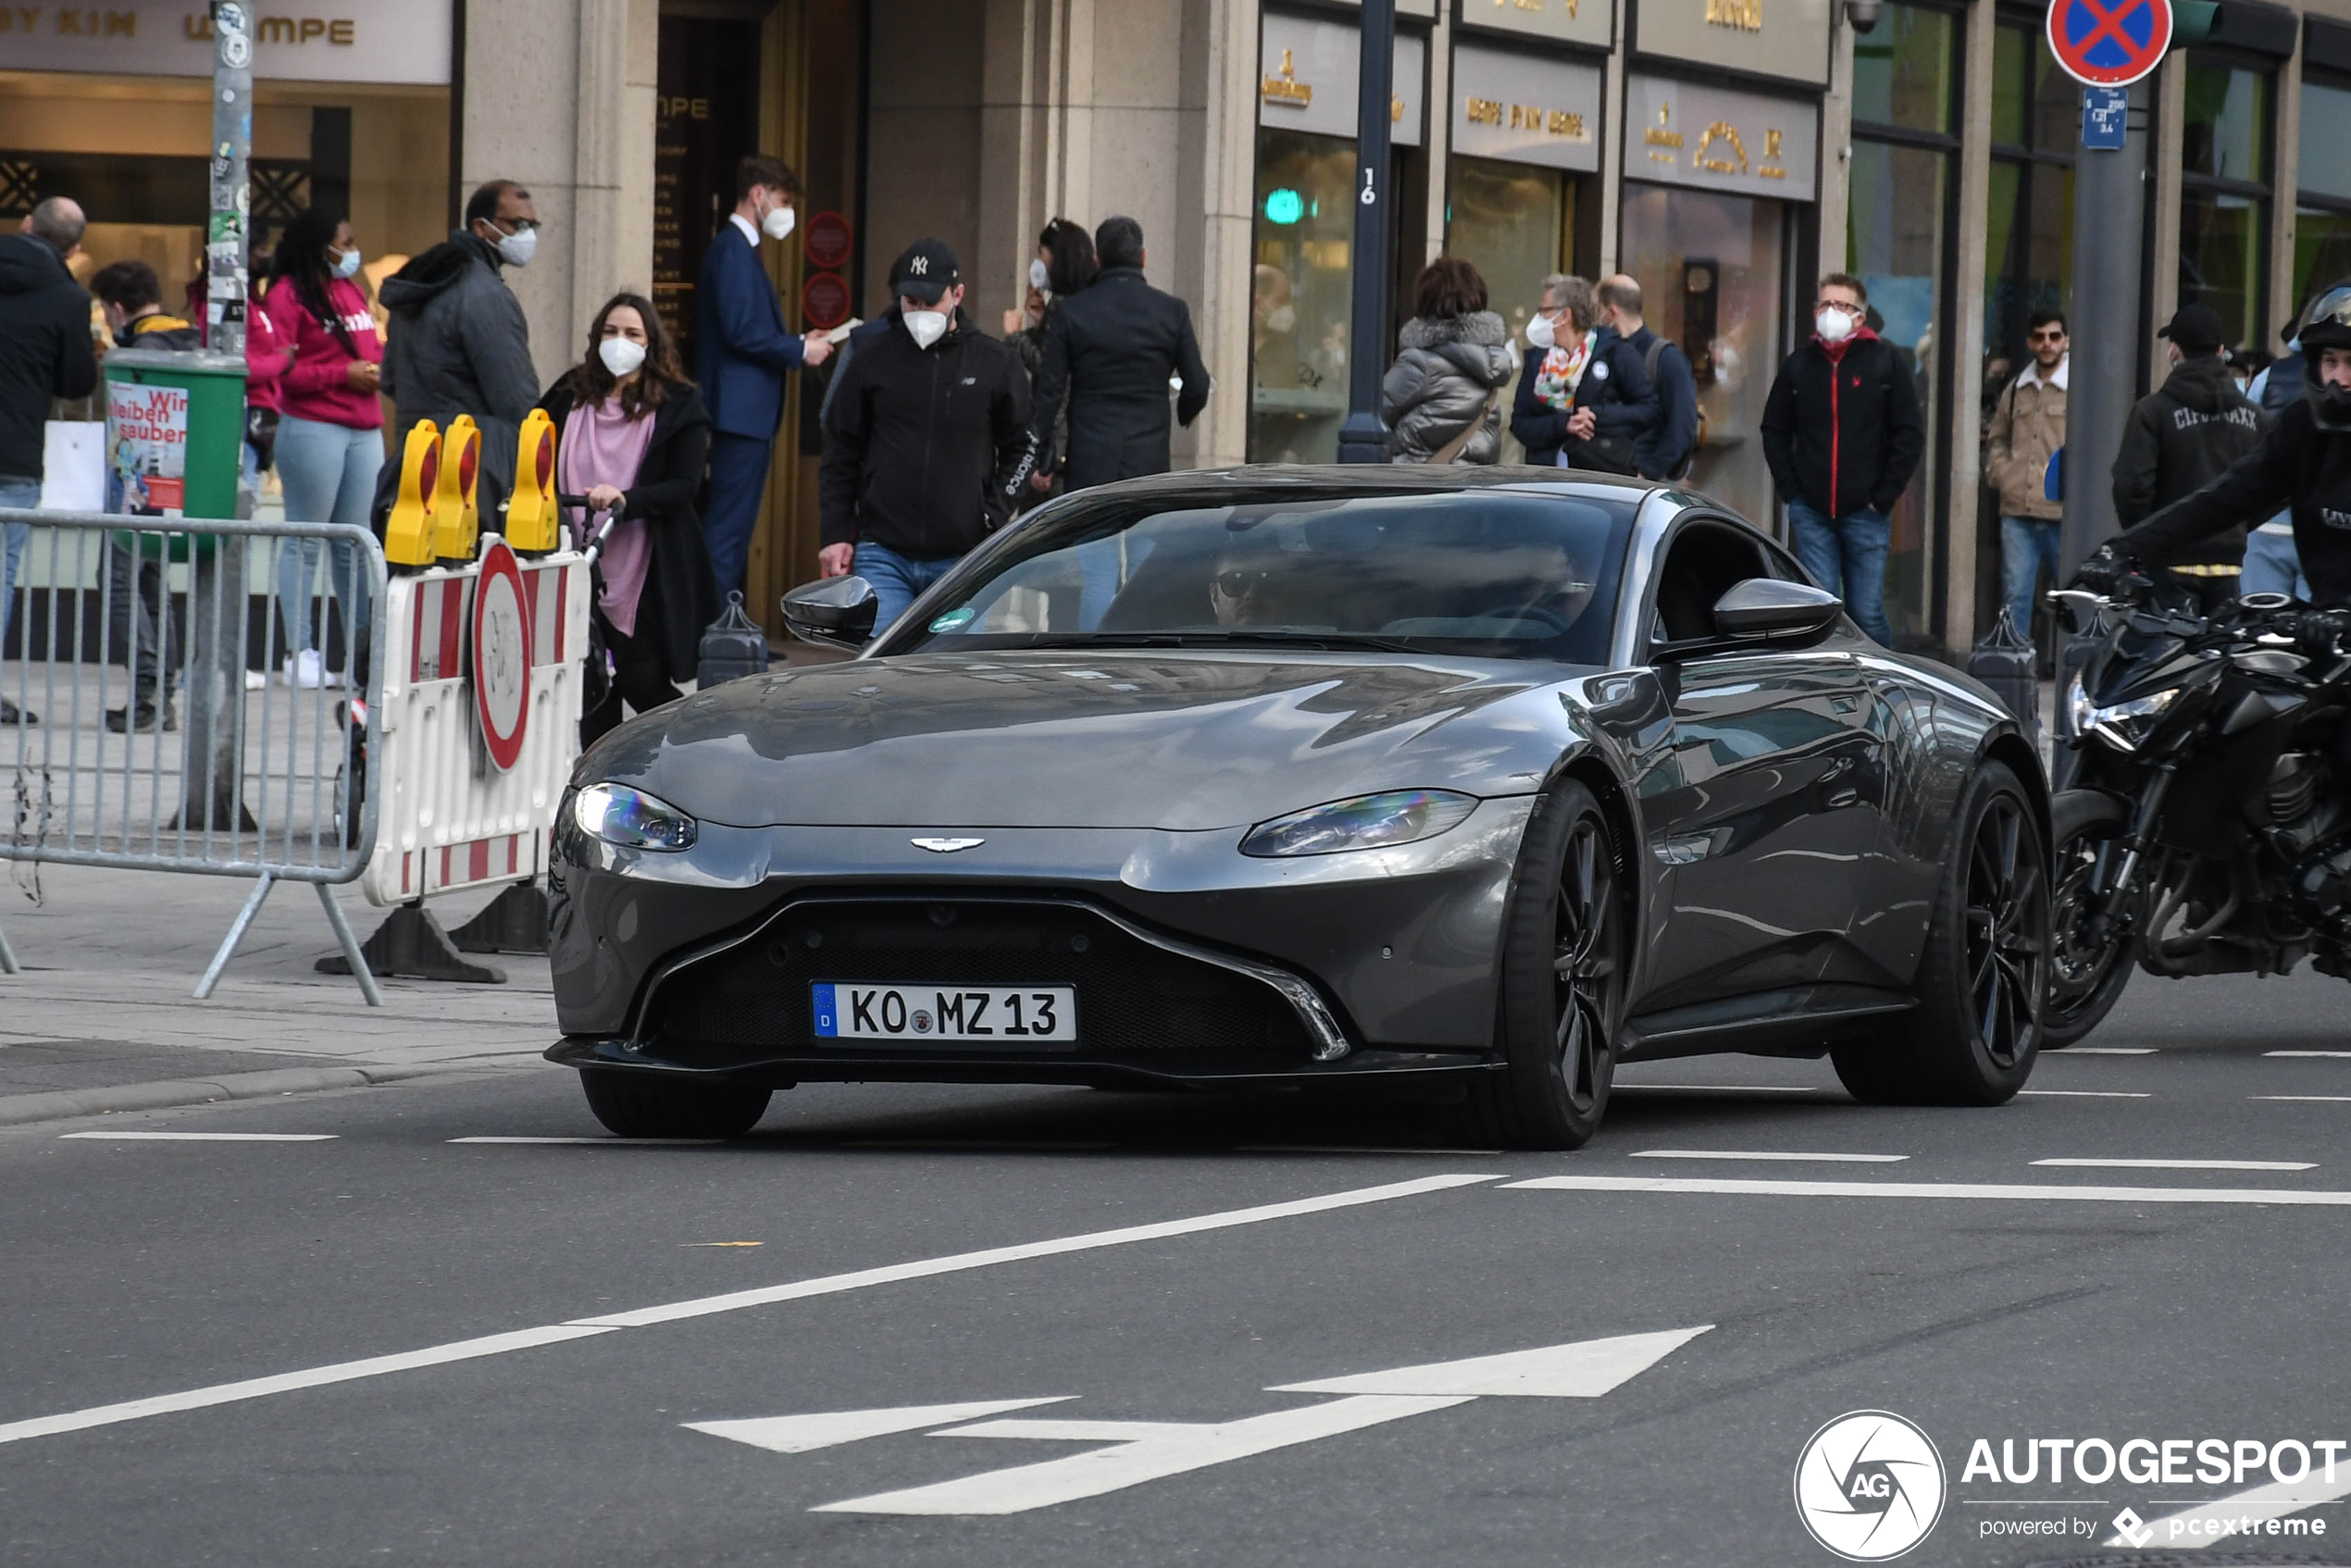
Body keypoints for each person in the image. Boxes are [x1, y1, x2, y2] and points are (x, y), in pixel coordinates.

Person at [817, 239, 1035, 635]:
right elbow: (840, 448)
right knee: (881, 674)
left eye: (928, 302)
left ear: (957, 295)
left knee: (946, 680)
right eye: (909, 302)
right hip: (883, 552)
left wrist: (993, 513)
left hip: (963, 559)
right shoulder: (872, 358)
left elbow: (1023, 445)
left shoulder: (995, 363)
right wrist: (835, 534)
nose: (918, 312)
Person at [2094, 282, 2351, 613]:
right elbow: (2225, 498)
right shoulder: (2301, 428)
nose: (2340, 379)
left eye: (2350, 362)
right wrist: (2122, 549)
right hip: (2321, 621)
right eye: (2330, 361)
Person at [537, 292, 718, 745]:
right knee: (591, 692)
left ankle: (697, 748)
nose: (620, 342)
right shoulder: (568, 394)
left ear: (650, 342)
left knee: (642, 681)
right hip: (576, 560)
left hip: (647, 565)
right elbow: (534, 451)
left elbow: (684, 485)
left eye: (632, 334)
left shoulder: (681, 404)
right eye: (611, 332)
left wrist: (628, 499)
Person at [1760, 271, 1926, 645]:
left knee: (1866, 612)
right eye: (1825, 304)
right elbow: (1774, 428)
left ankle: (1884, 682)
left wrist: (1883, 496)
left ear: (1859, 317)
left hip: (1866, 512)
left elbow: (1909, 434)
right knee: (1822, 609)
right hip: (1812, 511)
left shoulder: (1885, 362)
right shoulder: (1800, 365)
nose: (1831, 311)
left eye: (1842, 305)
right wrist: (1792, 491)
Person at [697, 155, 833, 604]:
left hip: (746, 415)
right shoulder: (733, 249)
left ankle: (728, 633)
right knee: (727, 532)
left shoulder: (741, 249)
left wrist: (797, 339)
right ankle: (716, 638)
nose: (786, 211)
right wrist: (798, 349)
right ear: (759, 195)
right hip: (738, 416)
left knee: (735, 532)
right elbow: (741, 331)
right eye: (783, 200)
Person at [89, 259, 211, 733]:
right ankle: (161, 693)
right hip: (176, 484)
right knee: (151, 585)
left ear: (118, 308)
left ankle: (148, 695)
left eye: (104, 309)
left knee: (120, 581)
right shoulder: (190, 337)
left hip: (137, 486)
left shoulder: (144, 348)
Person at [264, 207, 383, 689]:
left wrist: (374, 369)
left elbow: (369, 349)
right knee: (307, 540)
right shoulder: (287, 296)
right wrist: (342, 374)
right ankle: (301, 652)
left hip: (364, 426)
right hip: (314, 426)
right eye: (345, 240)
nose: (353, 250)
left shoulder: (351, 291)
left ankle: (360, 655)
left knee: (355, 545)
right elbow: (282, 370)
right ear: (320, 244)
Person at [378, 179, 542, 513]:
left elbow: (391, 379)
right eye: (518, 224)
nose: (527, 234)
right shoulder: (484, 295)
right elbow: (516, 398)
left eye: (532, 225)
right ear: (482, 227)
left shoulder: (423, 282)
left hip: (413, 462)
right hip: (472, 470)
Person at [0, 197, 96, 728]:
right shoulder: (66, 298)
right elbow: (77, 383)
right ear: (74, 248)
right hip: (13, 455)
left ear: (25, 225)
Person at [1028, 215, 1209, 491]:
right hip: (1149, 460)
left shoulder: (1072, 311)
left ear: (1098, 260)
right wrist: (1182, 413)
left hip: (1089, 460)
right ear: (1143, 258)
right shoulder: (1172, 312)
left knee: (1092, 533)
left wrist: (1041, 456)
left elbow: (1050, 392)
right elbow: (1198, 385)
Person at [2111, 303, 2266, 612]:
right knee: (2219, 658)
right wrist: (2235, 525)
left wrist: (2147, 539)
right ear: (2221, 350)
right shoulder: (2254, 417)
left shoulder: (2153, 412)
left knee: (2165, 658)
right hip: (2229, 569)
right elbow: (2275, 484)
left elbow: (2131, 487)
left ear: (2174, 350)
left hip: (2169, 565)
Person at [1511, 275, 1654, 472]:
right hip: (1545, 479)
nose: (1538, 318)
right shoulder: (1537, 360)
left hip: (1600, 476)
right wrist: (1564, 424)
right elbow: (1519, 424)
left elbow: (1648, 410)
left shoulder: (1615, 352)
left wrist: (1597, 416)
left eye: (1544, 311)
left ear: (1565, 315)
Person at [1984, 307, 2068, 639]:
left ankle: (2073, 676)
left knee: (2071, 600)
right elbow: (1998, 437)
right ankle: (2017, 675)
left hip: (2063, 514)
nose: (2047, 344)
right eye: (2039, 337)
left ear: (2066, 341)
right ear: (2030, 342)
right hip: (2018, 511)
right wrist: (2003, 475)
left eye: (2054, 336)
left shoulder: (2077, 386)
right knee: (2015, 597)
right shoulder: (2018, 386)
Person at [1383, 256, 1514, 464]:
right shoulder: (1492, 366)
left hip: (1421, 489)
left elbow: (1376, 417)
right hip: (1473, 489)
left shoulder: (1419, 363)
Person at [1006, 218, 1097, 509]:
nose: (1039, 263)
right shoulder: (1088, 302)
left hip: (1056, 449)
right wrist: (1040, 323)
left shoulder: (1063, 306)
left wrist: (1015, 337)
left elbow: (1051, 371)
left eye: (1042, 254)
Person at [2243, 303, 2319, 600]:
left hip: (2267, 526)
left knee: (2258, 628)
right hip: (2322, 530)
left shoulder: (2268, 377)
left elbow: (2250, 446)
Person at [1598, 274, 1698, 480]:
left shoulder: (1666, 358)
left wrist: (1647, 472)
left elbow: (1682, 425)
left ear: (1612, 312)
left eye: (1598, 310)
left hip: (1642, 483)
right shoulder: (1603, 352)